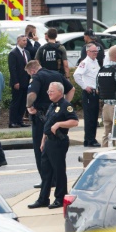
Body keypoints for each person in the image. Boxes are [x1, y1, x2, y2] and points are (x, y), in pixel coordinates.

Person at [27, 82, 79, 209]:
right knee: (46, 172)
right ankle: (43, 199)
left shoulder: (66, 105)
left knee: (58, 171)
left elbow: (74, 121)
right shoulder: (52, 105)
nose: (49, 93)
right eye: (48, 91)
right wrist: (43, 140)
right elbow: (48, 124)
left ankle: (60, 198)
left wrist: (59, 124)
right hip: (48, 141)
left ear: (60, 93)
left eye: (52, 91)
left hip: (58, 142)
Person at [25, 60, 75, 189]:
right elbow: (71, 89)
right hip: (55, 116)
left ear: (32, 70)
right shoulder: (56, 75)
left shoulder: (36, 77)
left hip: (41, 117)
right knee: (54, 150)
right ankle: (55, 179)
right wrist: (63, 105)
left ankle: (46, 180)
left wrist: (28, 106)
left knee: (40, 149)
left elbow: (32, 94)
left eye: (29, 74)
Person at [74, 43, 101, 147]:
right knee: (90, 118)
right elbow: (76, 75)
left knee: (94, 117)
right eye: (93, 51)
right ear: (87, 52)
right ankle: (90, 139)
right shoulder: (85, 62)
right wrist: (84, 86)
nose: (95, 53)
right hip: (89, 93)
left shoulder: (95, 61)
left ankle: (89, 138)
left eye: (96, 51)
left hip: (95, 93)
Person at [7, 34, 31, 128]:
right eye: (23, 41)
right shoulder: (13, 53)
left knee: (23, 102)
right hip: (17, 82)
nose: (25, 42)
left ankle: (19, 120)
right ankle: (12, 121)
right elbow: (12, 69)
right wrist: (15, 82)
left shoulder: (27, 53)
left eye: (26, 40)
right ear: (18, 41)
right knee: (16, 102)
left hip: (26, 81)